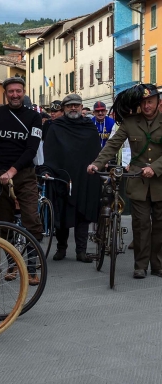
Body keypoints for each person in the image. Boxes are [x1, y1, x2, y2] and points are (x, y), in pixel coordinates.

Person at [87, 83, 162, 279]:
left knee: (160, 226)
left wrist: (154, 169)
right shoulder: (129, 122)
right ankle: (140, 266)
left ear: (158, 102)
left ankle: (158, 264)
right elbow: (112, 145)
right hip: (138, 180)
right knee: (141, 225)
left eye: (150, 102)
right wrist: (97, 163)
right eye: (144, 102)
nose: (147, 106)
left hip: (160, 180)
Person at [0, 76, 43, 285]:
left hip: (24, 176)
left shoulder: (34, 117)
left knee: (31, 220)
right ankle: (11, 264)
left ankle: (32, 266)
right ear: (6, 93)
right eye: (11, 92)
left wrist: (13, 171)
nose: (15, 95)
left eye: (18, 91)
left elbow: (31, 149)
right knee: (4, 223)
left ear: (24, 92)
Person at [43, 93, 100, 263]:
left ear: (82, 107)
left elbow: (96, 152)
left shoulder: (89, 127)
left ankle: (81, 251)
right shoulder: (56, 126)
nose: (73, 108)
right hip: (62, 176)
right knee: (62, 212)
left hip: (84, 176)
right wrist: (49, 170)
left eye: (76, 105)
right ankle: (61, 248)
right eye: (69, 106)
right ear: (64, 108)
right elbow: (49, 150)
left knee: (82, 213)